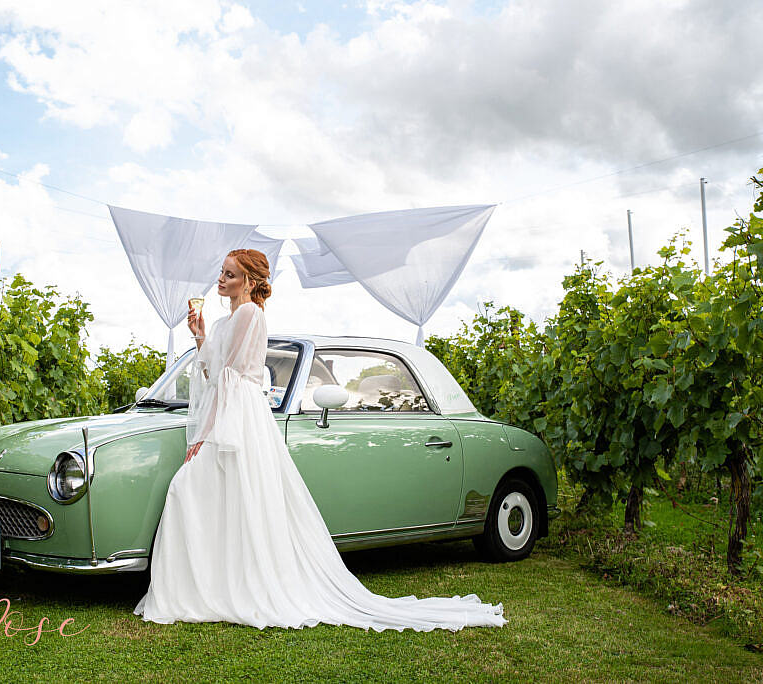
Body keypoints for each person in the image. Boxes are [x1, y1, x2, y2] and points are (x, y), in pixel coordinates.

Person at [133, 248, 507, 632]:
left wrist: (204, 433)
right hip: (228, 411)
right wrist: (199, 337)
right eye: (222, 273)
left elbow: (229, 380)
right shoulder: (225, 321)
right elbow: (213, 373)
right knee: (214, 495)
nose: (221, 279)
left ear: (247, 281)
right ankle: (215, 585)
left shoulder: (249, 314)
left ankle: (219, 587)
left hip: (238, 415)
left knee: (194, 490)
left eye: (229, 275)